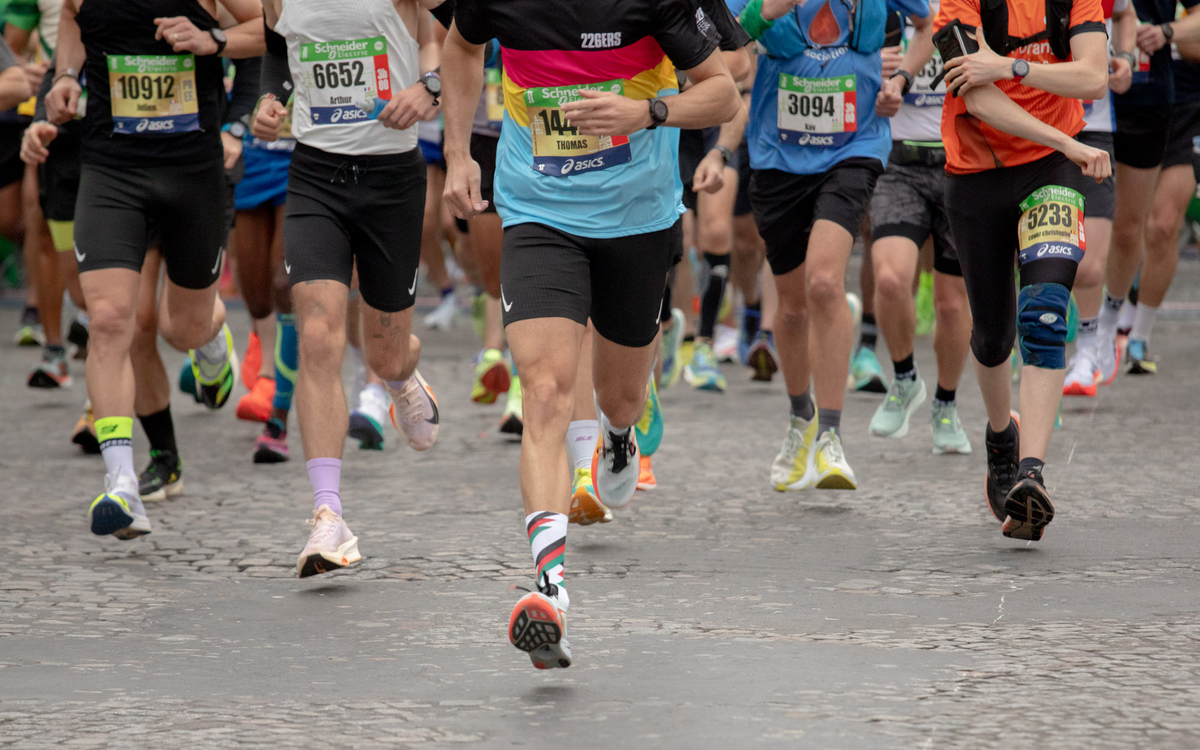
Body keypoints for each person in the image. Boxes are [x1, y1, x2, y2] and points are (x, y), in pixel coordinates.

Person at [443, 0, 740, 669]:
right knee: (544, 391)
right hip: (537, 212)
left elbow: (722, 91)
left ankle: (618, 433)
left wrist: (648, 112)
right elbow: (460, 47)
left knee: (621, 395)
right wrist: (458, 154)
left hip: (637, 217)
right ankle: (550, 590)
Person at [38, 0, 263, 538]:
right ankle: (122, 483)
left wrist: (214, 43)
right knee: (114, 321)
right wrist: (66, 74)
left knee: (180, 328)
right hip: (112, 171)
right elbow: (69, 17)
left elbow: (269, 29)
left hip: (193, 174)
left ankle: (212, 338)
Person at [257, 0, 442, 577]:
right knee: (318, 334)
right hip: (316, 177)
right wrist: (271, 98)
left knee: (385, 355)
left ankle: (402, 375)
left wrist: (430, 86)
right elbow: (276, 47)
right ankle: (328, 515)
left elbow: (464, 32)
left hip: (392, 182)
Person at [733, 0, 930, 493]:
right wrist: (770, 10)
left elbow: (928, 23)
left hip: (853, 149)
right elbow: (727, 44)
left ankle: (831, 436)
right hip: (777, 157)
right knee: (792, 309)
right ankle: (801, 418)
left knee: (824, 282)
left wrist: (900, 79)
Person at [937, 0, 1110, 539]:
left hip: (1052, 171)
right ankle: (1001, 438)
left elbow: (1093, 77)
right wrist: (1066, 140)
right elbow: (978, 97)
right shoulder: (959, 4)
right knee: (993, 337)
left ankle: (1031, 475)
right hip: (977, 174)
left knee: (1045, 314)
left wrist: (1010, 66)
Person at [867, 1, 974, 454]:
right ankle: (905, 378)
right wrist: (871, 65)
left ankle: (946, 403)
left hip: (961, 160)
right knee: (891, 279)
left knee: (951, 303)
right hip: (898, 161)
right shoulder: (883, 8)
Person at [1095, 0, 1200, 377]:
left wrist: (1168, 32)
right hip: (1107, 102)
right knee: (1123, 226)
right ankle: (1102, 320)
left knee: (1162, 226)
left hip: (1181, 106)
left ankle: (1137, 334)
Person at [1063, 0, 1132, 395]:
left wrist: (1125, 56)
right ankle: (1034, 342)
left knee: (1088, 265)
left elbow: (1124, 13)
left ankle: (1087, 352)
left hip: (1092, 128)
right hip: (1030, 127)